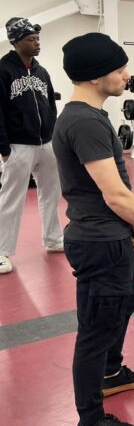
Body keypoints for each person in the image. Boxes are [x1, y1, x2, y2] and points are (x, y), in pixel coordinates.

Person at [53, 33, 134, 426]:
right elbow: (115, 194)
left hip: (108, 239)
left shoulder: (89, 117)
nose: (126, 76)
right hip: (100, 242)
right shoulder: (84, 122)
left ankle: (112, 373)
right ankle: (91, 419)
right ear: (97, 76)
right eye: (119, 69)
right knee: (96, 330)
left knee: (123, 303)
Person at [0, 17, 63, 274]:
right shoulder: (3, 70)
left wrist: (55, 136)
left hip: (46, 143)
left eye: (37, 39)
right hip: (18, 146)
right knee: (11, 199)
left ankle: (54, 239)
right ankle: (2, 252)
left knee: (51, 194)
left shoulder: (41, 71)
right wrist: (4, 149)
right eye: (30, 40)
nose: (37, 44)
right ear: (16, 42)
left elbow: (50, 105)